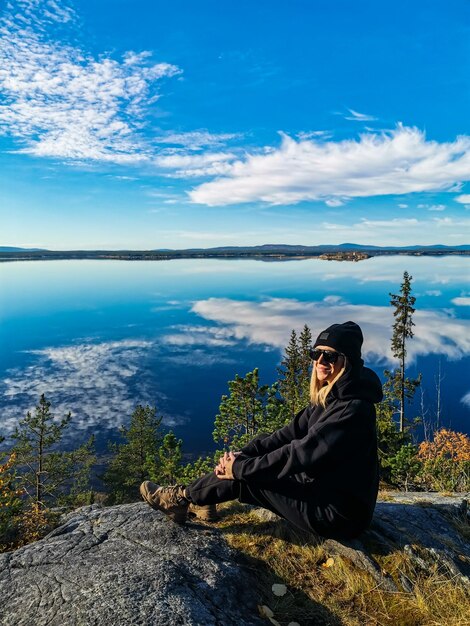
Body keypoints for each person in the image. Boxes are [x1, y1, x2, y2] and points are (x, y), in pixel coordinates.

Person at [140, 321, 382, 540]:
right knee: (250, 462)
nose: (319, 362)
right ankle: (203, 499)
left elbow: (298, 454)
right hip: (322, 489)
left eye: (329, 356)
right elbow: (287, 435)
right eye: (315, 354)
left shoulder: (353, 410)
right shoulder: (331, 396)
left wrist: (240, 469)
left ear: (347, 361)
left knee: (249, 479)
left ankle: (180, 499)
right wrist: (241, 455)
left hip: (337, 515)